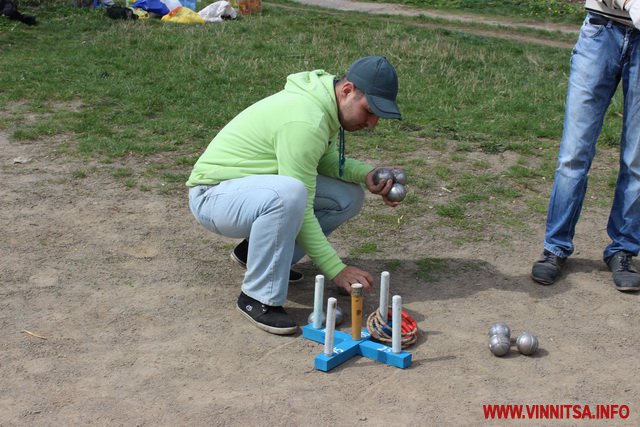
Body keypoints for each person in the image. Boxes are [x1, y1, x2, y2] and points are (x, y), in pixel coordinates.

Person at [187, 56, 404, 334]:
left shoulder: (324, 104)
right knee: (289, 195)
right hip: (214, 197)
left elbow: (321, 160)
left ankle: (252, 253)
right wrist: (336, 269)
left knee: (348, 197)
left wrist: (365, 174)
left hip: (245, 191)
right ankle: (257, 297)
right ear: (347, 90)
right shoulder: (306, 120)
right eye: (369, 110)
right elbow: (299, 204)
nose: (372, 123)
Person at [531, 0, 640, 292]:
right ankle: (555, 247)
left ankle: (623, 249)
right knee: (574, 154)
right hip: (601, 34)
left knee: (637, 159)